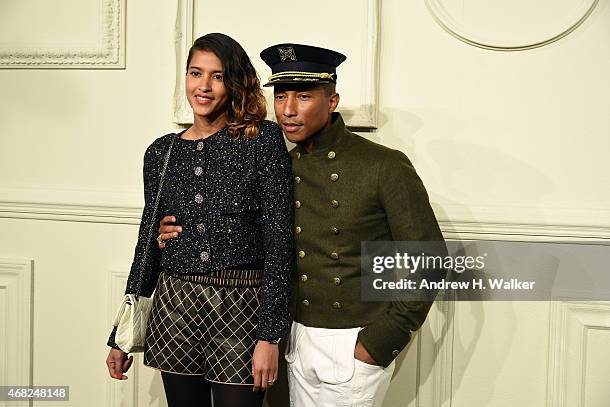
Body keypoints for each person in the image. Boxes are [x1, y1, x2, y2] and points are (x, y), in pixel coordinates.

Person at [159, 43, 444, 407]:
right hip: (284, 339)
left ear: (333, 100)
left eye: (304, 97)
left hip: (352, 343)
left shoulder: (382, 165)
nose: (288, 111)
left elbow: (430, 261)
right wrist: (167, 233)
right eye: (281, 97)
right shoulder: (275, 161)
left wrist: (379, 341)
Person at [105, 33, 294, 407]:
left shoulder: (262, 140)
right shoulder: (161, 151)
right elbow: (147, 243)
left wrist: (270, 336)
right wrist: (120, 336)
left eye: (217, 76)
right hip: (175, 303)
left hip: (241, 306)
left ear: (235, 83)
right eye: (195, 73)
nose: (203, 86)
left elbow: (279, 239)